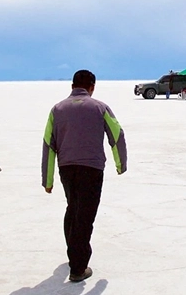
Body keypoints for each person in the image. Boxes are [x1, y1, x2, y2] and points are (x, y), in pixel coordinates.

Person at [42, 69, 127, 282]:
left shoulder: (57, 109)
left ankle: (74, 253)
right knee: (85, 216)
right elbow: (117, 136)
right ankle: (78, 267)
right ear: (92, 87)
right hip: (92, 168)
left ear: (72, 86)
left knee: (73, 208)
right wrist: (121, 163)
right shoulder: (100, 107)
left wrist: (48, 178)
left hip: (67, 168)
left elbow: (48, 145)